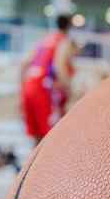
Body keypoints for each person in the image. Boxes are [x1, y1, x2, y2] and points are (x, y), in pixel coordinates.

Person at [21, 14, 76, 143]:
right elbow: (59, 66)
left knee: (37, 140)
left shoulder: (43, 41)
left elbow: (24, 64)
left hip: (28, 87)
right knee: (51, 139)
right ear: (70, 26)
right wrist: (69, 90)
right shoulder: (64, 41)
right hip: (43, 90)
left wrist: (21, 88)